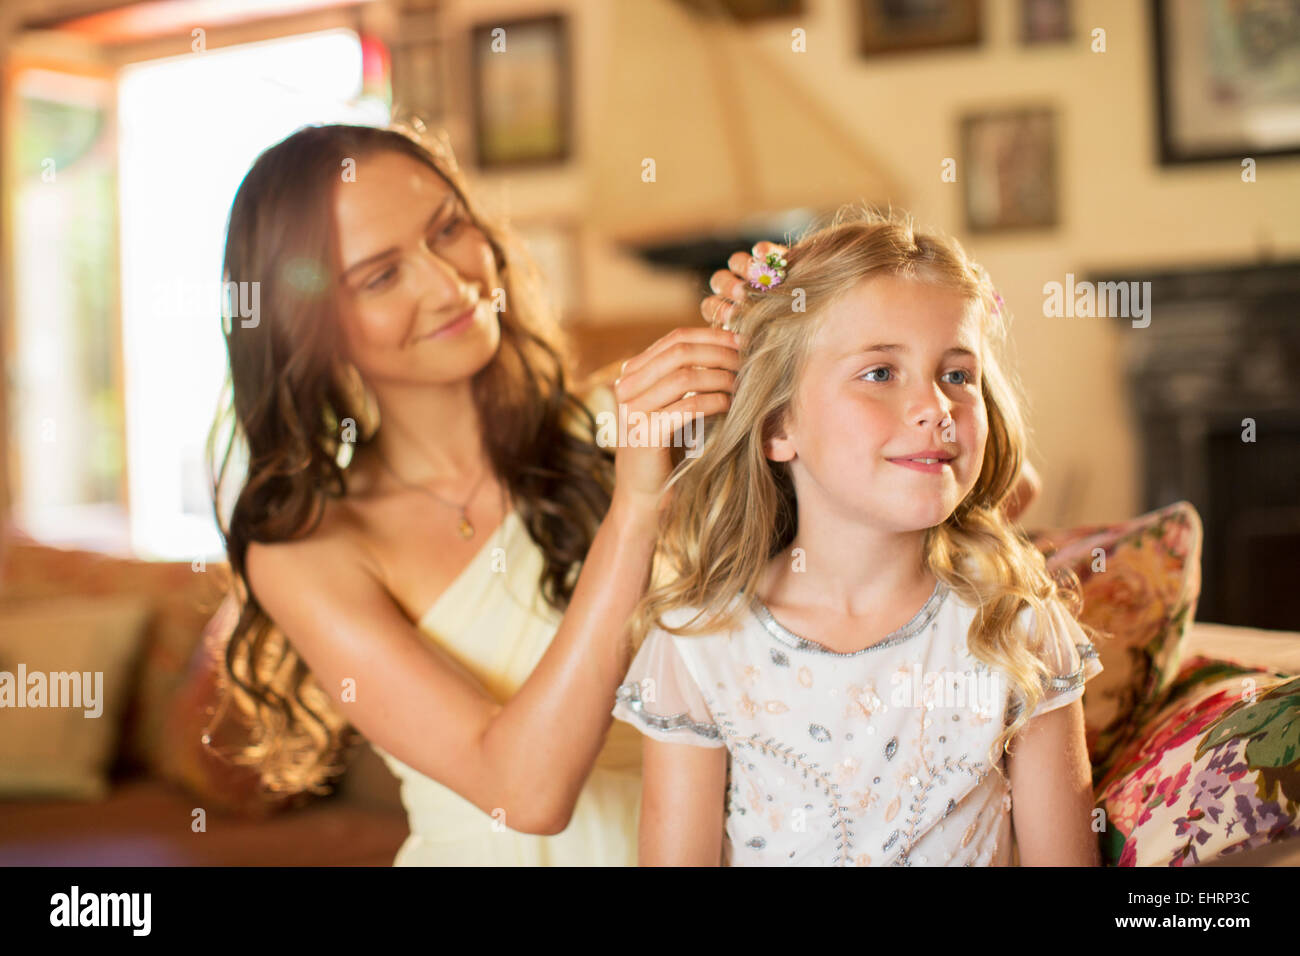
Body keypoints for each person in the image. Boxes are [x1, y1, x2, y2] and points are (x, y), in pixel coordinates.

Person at [208, 123, 742, 865]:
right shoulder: (308, 550)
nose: (448, 284)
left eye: (447, 229)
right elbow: (523, 791)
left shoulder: (624, 421)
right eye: (380, 275)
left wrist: (783, 336)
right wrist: (637, 513)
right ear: (315, 327)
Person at [612, 206, 1101, 866]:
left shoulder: (1014, 627)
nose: (935, 405)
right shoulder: (702, 642)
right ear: (777, 426)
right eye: (879, 372)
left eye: (958, 374)